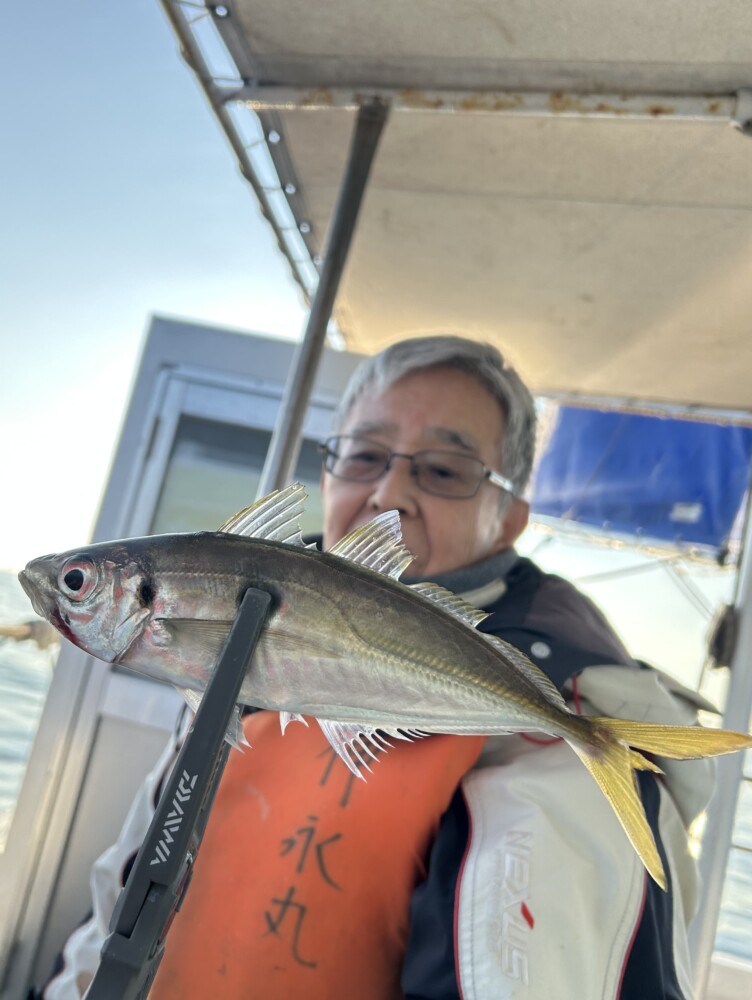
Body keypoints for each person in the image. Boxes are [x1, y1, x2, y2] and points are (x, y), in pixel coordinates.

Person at [40, 335, 713, 999]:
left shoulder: (560, 725)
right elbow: (116, 899)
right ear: (327, 477)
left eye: (445, 470)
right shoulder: (240, 655)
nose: (390, 492)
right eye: (364, 456)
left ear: (509, 519)